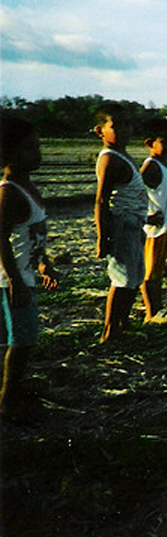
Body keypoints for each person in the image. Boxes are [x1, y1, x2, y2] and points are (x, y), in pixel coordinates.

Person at [0, 113, 58, 421]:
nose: (36, 154)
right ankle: (8, 402)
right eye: (27, 148)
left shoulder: (28, 189)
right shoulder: (9, 192)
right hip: (11, 281)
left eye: (37, 146)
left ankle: (13, 393)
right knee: (21, 342)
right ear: (6, 155)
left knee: (20, 341)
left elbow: (31, 235)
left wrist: (44, 263)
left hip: (24, 275)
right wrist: (15, 281)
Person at [94, 103, 148, 343]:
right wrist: (102, 237)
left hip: (135, 224)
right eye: (116, 126)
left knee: (134, 278)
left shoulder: (124, 156)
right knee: (122, 279)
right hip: (122, 225)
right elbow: (101, 201)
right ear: (100, 131)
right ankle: (109, 331)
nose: (125, 130)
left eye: (128, 124)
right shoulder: (110, 159)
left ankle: (123, 324)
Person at [140, 117, 167, 323]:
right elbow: (135, 191)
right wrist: (146, 216)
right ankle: (150, 312)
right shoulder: (151, 166)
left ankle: (158, 307)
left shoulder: (165, 166)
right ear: (149, 143)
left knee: (158, 271)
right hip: (152, 229)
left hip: (165, 227)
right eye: (166, 142)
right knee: (150, 271)